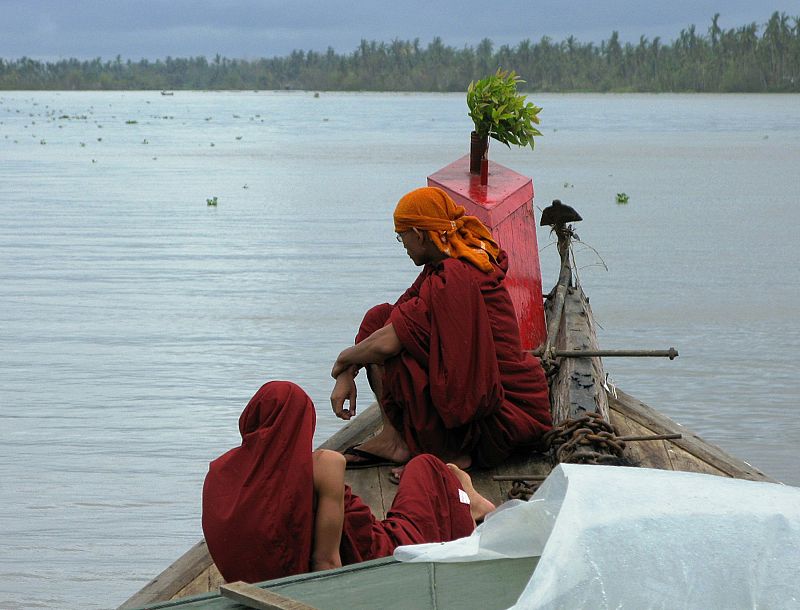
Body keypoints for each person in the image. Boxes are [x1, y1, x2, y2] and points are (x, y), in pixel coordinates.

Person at [331, 186, 552, 473]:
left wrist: (343, 362)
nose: (404, 245)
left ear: (419, 234)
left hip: (499, 416)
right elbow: (394, 317)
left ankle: (449, 451)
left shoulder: (457, 274)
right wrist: (349, 369)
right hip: (481, 404)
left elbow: (390, 342)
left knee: (397, 352)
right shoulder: (440, 267)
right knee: (379, 318)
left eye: (403, 237)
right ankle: (395, 439)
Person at [201, 380, 494, 584]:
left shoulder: (221, 474)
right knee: (427, 466)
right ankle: (471, 501)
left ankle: (465, 492)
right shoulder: (323, 464)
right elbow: (326, 563)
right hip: (372, 551)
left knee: (443, 472)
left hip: (263, 581)